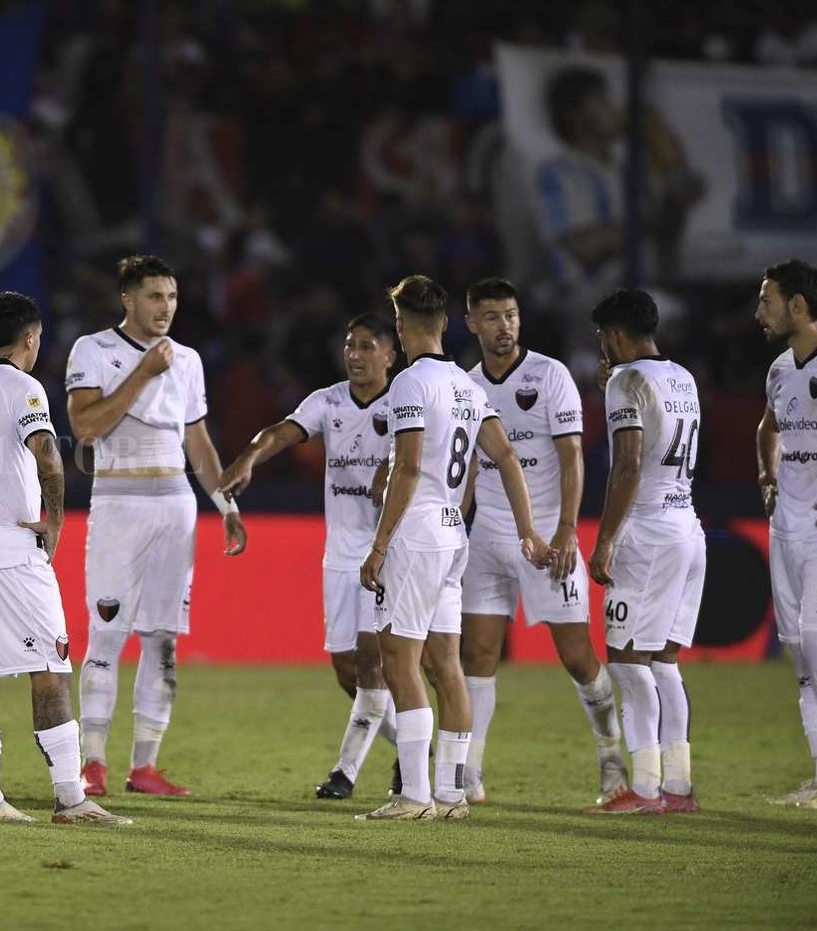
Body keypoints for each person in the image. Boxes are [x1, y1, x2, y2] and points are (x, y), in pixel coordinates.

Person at [0, 291, 130, 825]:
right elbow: (49, 457)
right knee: (51, 669)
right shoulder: (24, 386)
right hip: (10, 550)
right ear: (30, 339)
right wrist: (54, 520)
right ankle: (70, 797)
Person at [359, 275, 550, 821]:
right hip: (453, 531)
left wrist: (379, 546)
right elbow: (507, 457)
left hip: (417, 533)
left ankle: (414, 795)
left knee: (400, 662)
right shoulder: (470, 389)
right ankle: (451, 794)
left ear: (401, 325)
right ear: (445, 324)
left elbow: (410, 466)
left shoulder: (410, 385)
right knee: (447, 664)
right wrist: (527, 531)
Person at [67, 254, 248, 798]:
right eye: (153, 296)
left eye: (171, 296)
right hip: (120, 503)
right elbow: (85, 428)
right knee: (106, 633)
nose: (165, 307)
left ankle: (144, 766)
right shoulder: (93, 350)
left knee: (163, 639)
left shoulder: (188, 360)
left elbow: (198, 440)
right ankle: (92, 763)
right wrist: (143, 374)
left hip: (174, 502)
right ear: (127, 299)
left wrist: (226, 505)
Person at [218, 314, 399, 800]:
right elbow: (280, 431)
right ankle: (414, 747)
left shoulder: (405, 404)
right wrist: (248, 457)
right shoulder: (329, 401)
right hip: (339, 554)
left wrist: (391, 466)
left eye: (367, 346)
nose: (355, 354)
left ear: (389, 356)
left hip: (386, 552)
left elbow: (417, 455)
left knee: (371, 664)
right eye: (349, 345)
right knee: (346, 667)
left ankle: (346, 772)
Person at [459, 278, 624, 803]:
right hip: (487, 535)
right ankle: (470, 773)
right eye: (491, 316)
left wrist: (569, 531)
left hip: (551, 535)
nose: (503, 325)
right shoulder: (464, 386)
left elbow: (572, 456)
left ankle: (612, 759)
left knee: (576, 655)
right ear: (471, 324)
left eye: (510, 314)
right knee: (478, 652)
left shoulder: (550, 376)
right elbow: (464, 470)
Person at [585, 288, 705, 815]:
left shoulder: (625, 381)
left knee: (628, 663)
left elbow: (629, 465)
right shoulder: (683, 377)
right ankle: (678, 788)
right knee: (664, 663)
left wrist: (605, 539)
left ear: (614, 335)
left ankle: (647, 789)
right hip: (688, 525)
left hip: (648, 532)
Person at [754, 259, 817, 809]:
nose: (758, 312)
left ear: (798, 305)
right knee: (799, 654)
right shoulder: (780, 370)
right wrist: (767, 475)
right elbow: (769, 429)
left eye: (767, 300)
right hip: (785, 526)